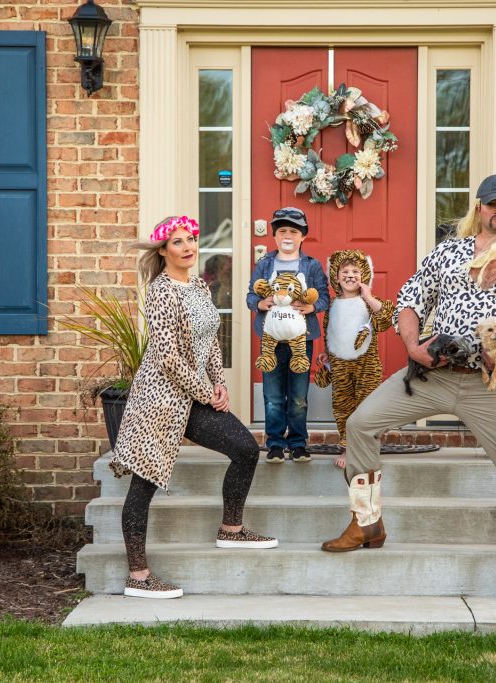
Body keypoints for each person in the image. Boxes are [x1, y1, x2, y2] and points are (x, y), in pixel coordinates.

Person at [320, 174, 496, 603]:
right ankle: (367, 522)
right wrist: (413, 348)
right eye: (490, 204)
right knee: (361, 423)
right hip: (432, 374)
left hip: (489, 387)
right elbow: (409, 301)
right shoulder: (449, 253)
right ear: (479, 208)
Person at [110, 215, 277, 600]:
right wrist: (205, 391)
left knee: (245, 449)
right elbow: (168, 357)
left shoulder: (200, 285)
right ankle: (138, 575)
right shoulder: (161, 292)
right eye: (177, 242)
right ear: (163, 251)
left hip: (198, 393)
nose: (187, 247)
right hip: (160, 399)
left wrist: (218, 383)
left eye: (190, 240)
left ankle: (231, 530)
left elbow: (211, 340)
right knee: (144, 482)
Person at [246, 207, 330, 464]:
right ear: (274, 236)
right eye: (282, 230)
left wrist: (312, 306)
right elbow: (251, 295)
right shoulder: (265, 264)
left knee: (298, 395)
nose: (287, 235)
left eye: (294, 231)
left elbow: (324, 296)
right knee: (272, 395)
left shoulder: (311, 265)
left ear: (302, 236)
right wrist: (260, 304)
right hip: (271, 339)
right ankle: (274, 443)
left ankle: (297, 442)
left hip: (300, 340)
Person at [313, 249, 395, 467]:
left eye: (356, 271)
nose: (350, 275)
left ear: (364, 274)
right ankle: (348, 448)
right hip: (339, 364)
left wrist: (368, 296)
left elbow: (387, 318)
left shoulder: (368, 301)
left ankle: (367, 448)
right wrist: (327, 353)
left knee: (366, 407)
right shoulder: (332, 304)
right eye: (344, 271)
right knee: (343, 406)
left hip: (366, 364)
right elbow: (332, 330)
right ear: (336, 276)